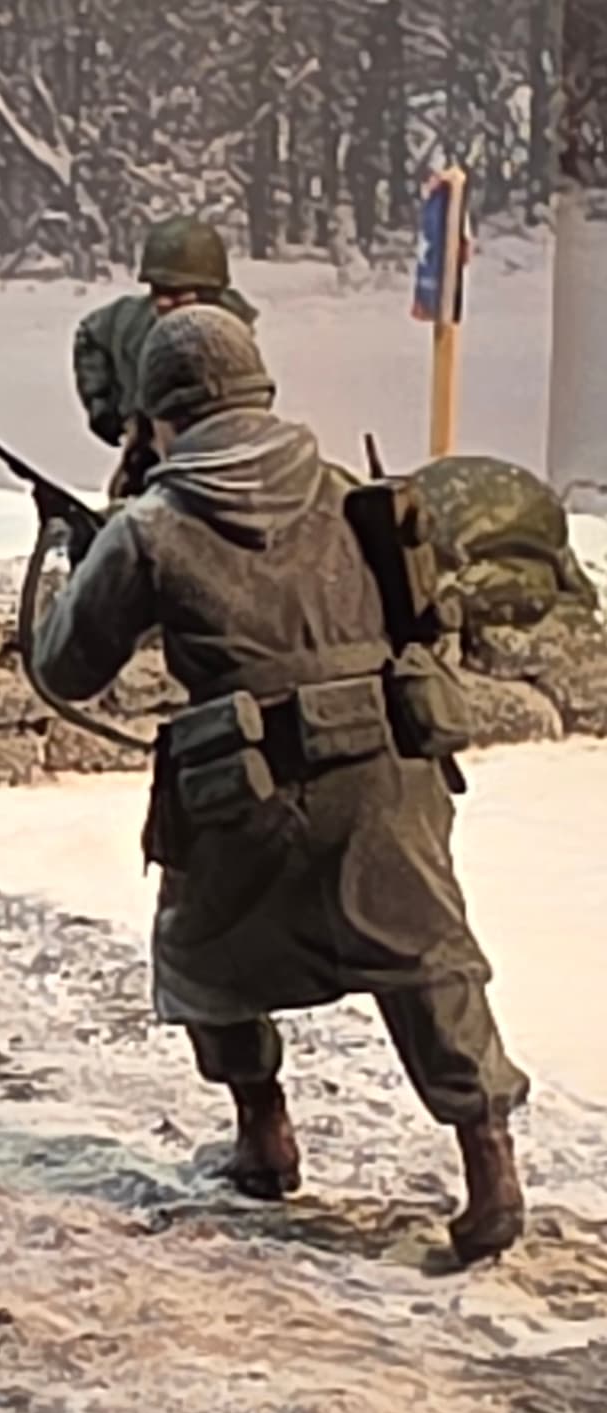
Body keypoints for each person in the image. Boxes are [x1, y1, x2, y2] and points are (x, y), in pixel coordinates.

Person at [35, 304, 530, 1265]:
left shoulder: (150, 528)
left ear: (158, 416)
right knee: (426, 959)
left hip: (243, 789)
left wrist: (79, 553)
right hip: (385, 768)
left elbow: (66, 669)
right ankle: (490, 1167)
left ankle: (263, 1134)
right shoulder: (344, 490)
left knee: (203, 955)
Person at [73, 216, 259, 499]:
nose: (165, 303)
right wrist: (105, 408)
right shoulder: (130, 322)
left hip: (218, 459)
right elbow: (91, 337)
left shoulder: (231, 335)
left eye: (180, 294)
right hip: (148, 455)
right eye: (160, 291)